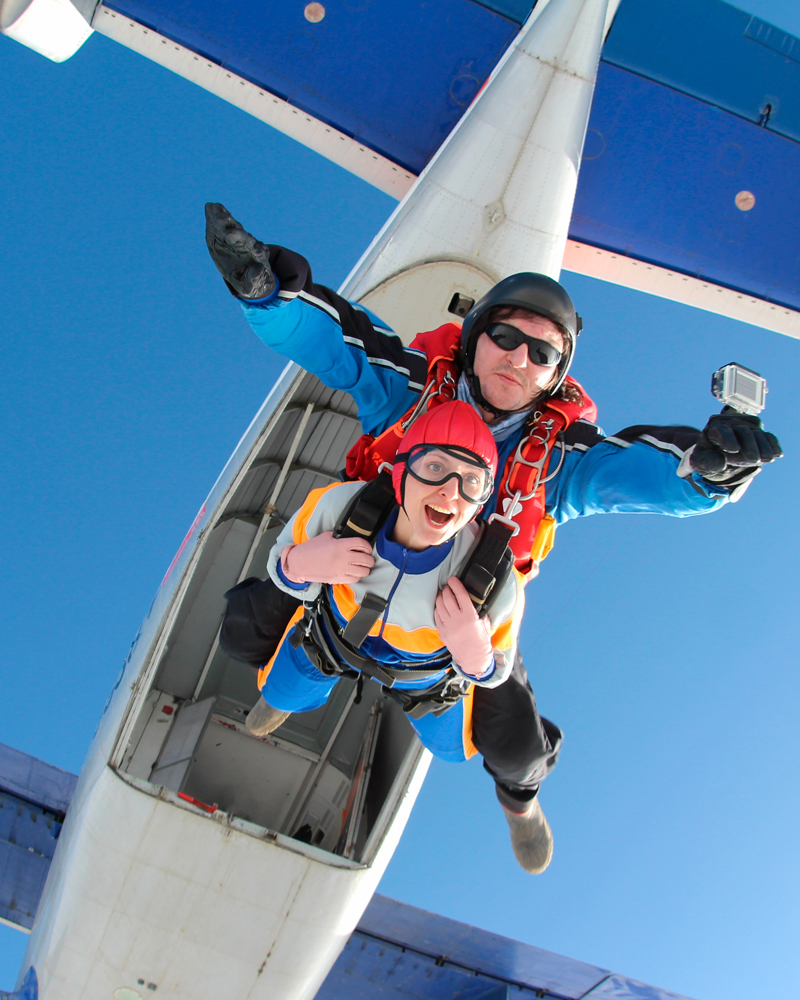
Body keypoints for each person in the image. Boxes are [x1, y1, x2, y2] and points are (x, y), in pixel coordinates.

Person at [205, 202, 783, 874]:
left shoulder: (560, 459)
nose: (518, 358)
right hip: (354, 583)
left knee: (515, 747)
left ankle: (521, 804)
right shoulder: (413, 390)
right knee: (250, 631)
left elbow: (638, 472)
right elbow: (340, 344)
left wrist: (712, 472)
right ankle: (279, 704)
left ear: (556, 375)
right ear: (475, 336)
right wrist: (269, 296)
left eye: (543, 353)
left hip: (456, 637)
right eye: (506, 337)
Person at [251, 401, 525, 789]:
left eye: (472, 481)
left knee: (452, 750)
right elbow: (279, 563)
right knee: (278, 693)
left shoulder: (494, 575)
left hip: (425, 679)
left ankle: (518, 792)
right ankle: (278, 703)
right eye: (435, 468)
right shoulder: (341, 506)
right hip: (330, 639)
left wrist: (476, 656)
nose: (450, 492)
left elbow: (498, 665)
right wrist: (299, 564)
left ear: (481, 502)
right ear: (401, 472)